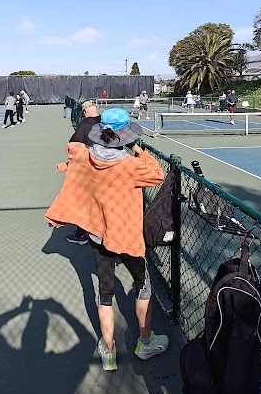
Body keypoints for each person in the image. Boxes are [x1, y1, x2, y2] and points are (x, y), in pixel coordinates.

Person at [45, 108, 169, 371]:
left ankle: (109, 350)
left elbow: (73, 151)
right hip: (126, 235)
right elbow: (158, 173)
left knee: (104, 292)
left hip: (97, 235)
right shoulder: (131, 165)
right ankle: (145, 342)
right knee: (142, 284)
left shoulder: (86, 157)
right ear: (126, 135)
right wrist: (138, 149)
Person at [65, 100, 102, 246]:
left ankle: (81, 234)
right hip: (109, 168)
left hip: (89, 169)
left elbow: (73, 144)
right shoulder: (106, 122)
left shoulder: (85, 125)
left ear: (85, 111)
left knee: (84, 203)